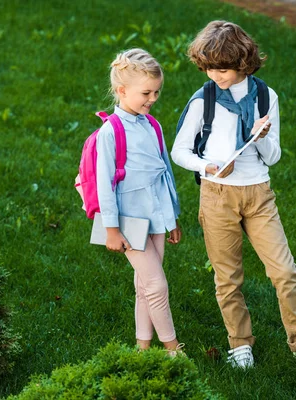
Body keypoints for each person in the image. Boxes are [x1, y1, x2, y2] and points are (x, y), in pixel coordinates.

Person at [171, 21, 296, 368]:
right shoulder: (205, 100)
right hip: (218, 195)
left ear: (243, 63)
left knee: (286, 272)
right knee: (228, 277)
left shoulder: (265, 97)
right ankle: (240, 342)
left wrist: (261, 135)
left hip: (258, 194)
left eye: (224, 68)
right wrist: (206, 166)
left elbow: (273, 157)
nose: (216, 75)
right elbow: (179, 151)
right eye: (210, 68)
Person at [96, 48, 183, 356]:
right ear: (122, 91)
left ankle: (142, 348)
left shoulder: (152, 125)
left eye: (157, 92)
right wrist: (111, 229)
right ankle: (173, 348)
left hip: (157, 215)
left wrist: (172, 217)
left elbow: (166, 173)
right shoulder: (111, 132)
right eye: (146, 92)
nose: (153, 98)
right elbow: (104, 184)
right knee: (157, 285)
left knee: (145, 286)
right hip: (129, 221)